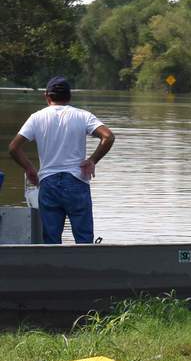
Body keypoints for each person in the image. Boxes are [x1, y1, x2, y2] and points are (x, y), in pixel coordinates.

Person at [8, 76, 115, 244]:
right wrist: (92, 160)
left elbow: (13, 147)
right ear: (69, 97)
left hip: (48, 183)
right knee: (84, 240)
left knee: (51, 241)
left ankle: (54, 269)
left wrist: (30, 169)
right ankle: (86, 269)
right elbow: (108, 137)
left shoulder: (36, 118)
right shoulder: (83, 116)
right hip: (76, 182)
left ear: (47, 96)